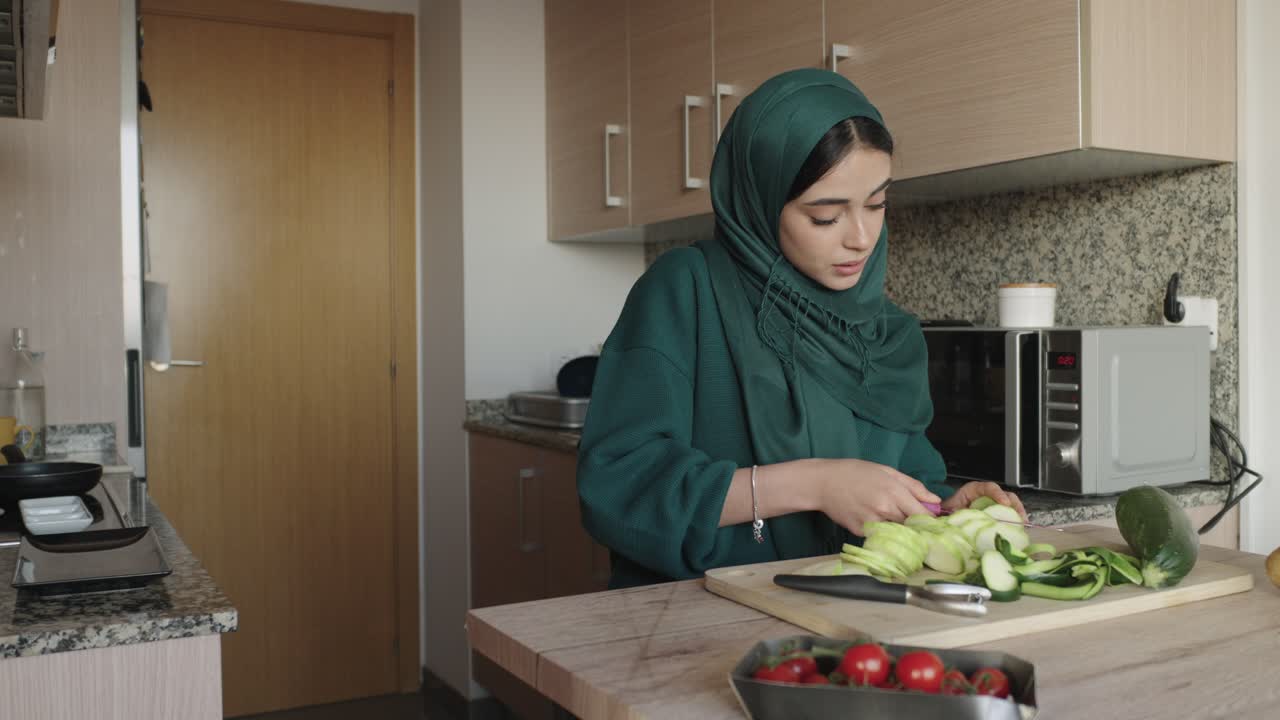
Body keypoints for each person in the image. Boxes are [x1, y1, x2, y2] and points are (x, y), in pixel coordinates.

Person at [576, 68, 1026, 589]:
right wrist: (815, 483)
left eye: (877, 205)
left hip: (843, 626)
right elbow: (619, 487)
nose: (861, 237)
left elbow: (902, 491)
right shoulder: (686, 291)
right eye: (825, 216)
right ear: (763, 203)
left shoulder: (890, 333)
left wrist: (946, 511)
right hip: (689, 625)